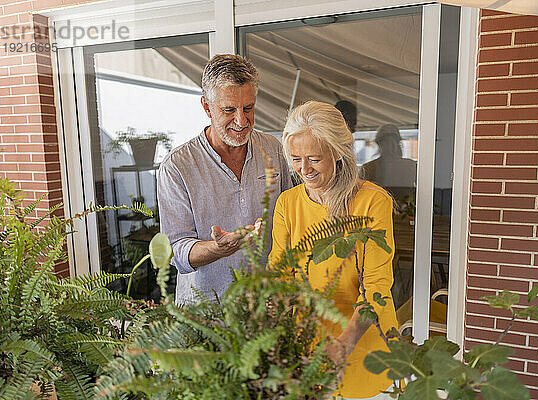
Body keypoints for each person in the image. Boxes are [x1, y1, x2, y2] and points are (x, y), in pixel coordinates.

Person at [270, 101, 398, 398]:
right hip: (306, 347)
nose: (304, 170)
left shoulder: (372, 202)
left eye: (314, 159)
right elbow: (279, 277)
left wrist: (343, 344)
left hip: (364, 346)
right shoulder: (287, 205)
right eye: (296, 159)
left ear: (338, 152)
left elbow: (377, 287)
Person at [158, 54, 292, 305]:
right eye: (229, 110)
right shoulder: (177, 166)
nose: (241, 121)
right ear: (207, 107)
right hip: (207, 315)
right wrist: (217, 249)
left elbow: (292, 218)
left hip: (268, 308)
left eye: (248, 108)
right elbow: (176, 251)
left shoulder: (273, 149)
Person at [362, 124, 416, 201]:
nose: (390, 144)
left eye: (393, 141)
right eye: (386, 141)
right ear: (379, 143)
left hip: (406, 208)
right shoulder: (368, 167)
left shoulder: (410, 165)